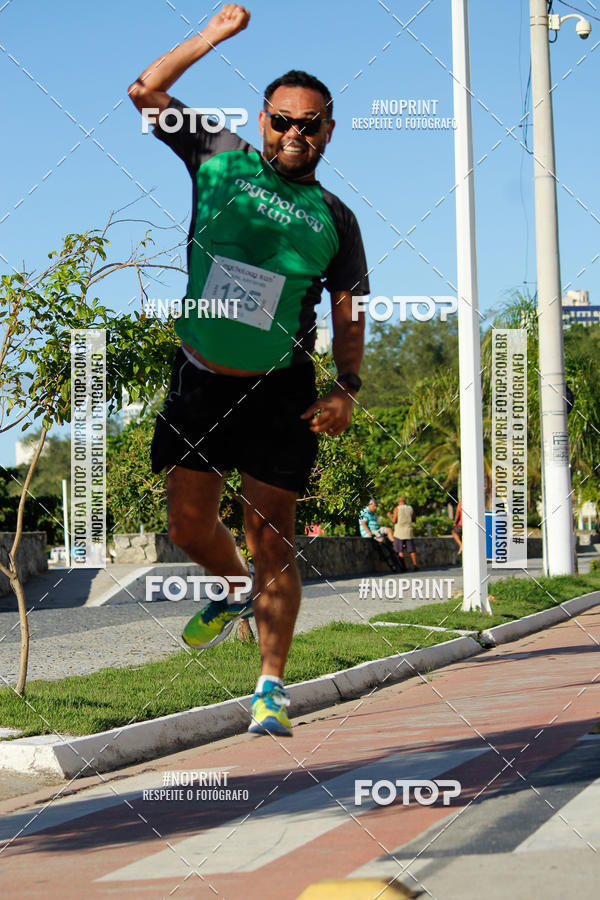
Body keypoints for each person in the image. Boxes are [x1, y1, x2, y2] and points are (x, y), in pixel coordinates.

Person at [128, 4, 369, 737]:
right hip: (200, 380)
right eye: (281, 120)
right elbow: (144, 92)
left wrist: (346, 387)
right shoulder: (217, 153)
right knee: (189, 525)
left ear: (328, 131)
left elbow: (350, 305)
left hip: (280, 390)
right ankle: (230, 588)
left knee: (274, 537)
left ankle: (270, 684)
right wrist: (211, 36)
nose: (293, 134)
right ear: (261, 120)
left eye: (309, 124)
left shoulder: (335, 216)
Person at [388, 496, 419, 570]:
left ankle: (403, 567)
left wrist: (389, 516)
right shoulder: (410, 508)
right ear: (404, 501)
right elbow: (414, 519)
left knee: (400, 550)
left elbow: (394, 521)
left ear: (398, 502)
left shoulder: (397, 509)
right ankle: (415, 565)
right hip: (409, 532)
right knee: (411, 550)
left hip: (399, 533)